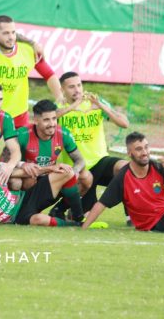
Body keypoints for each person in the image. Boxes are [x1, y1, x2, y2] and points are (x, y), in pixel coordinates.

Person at [0, 145, 107, 228]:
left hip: (26, 198)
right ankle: (76, 224)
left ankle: (78, 215)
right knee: (39, 220)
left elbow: (22, 172)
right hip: (17, 217)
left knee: (67, 172)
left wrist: (51, 168)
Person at [52, 71, 130, 221]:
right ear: (62, 90)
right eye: (71, 87)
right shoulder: (59, 106)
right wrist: (72, 107)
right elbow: (45, 120)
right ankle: (65, 209)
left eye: (79, 85)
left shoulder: (94, 102)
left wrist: (101, 106)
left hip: (100, 161)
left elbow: (124, 123)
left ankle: (131, 215)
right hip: (78, 168)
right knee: (85, 217)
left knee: (126, 168)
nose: (77, 90)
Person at [2, 100, 92, 222]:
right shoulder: (22, 134)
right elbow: (1, 165)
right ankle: (13, 212)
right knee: (21, 181)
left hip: (50, 179)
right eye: (46, 120)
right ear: (36, 120)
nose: (52, 124)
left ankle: (60, 210)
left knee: (86, 177)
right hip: (30, 181)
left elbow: (80, 160)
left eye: (54, 118)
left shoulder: (63, 133)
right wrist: (22, 164)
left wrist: (75, 172)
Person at [0, 15, 61, 128]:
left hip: (19, 115)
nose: (11, 37)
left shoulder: (28, 51)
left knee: (19, 146)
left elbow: (49, 75)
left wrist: (60, 98)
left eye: (13, 32)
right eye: (6, 33)